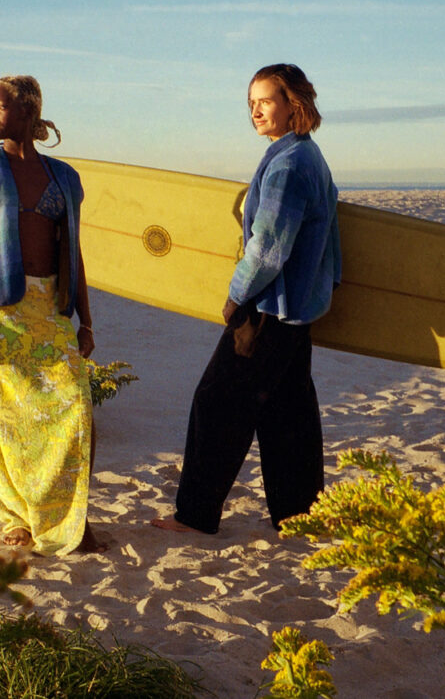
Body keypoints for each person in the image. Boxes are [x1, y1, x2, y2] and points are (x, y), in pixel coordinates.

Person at [152, 64, 341, 536]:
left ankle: (194, 516)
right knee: (286, 410)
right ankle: (299, 516)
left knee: (217, 402)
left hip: (269, 308)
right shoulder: (308, 156)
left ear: (293, 105)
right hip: (297, 309)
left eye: (265, 101)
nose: (255, 111)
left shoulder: (288, 166)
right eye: (251, 103)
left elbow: (268, 248)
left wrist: (236, 295)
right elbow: (331, 242)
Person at [0, 75, 105, 555]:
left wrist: (85, 319)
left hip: (49, 307)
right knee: (7, 423)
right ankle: (17, 517)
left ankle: (70, 517)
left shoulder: (65, 177)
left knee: (76, 409)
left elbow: (74, 252)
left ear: (28, 111)